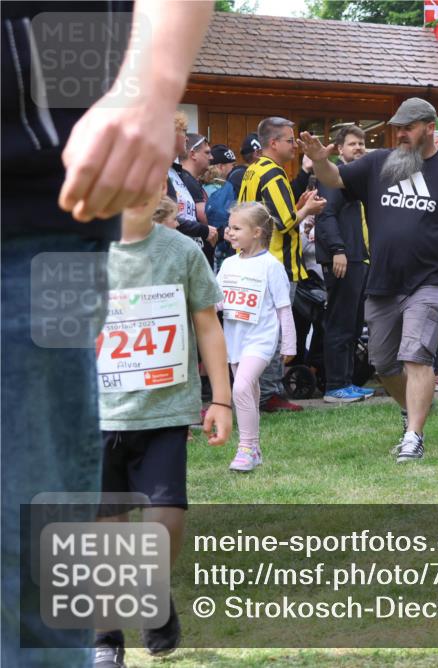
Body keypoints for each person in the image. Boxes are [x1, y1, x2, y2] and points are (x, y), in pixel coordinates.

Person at [1, 2, 212, 665]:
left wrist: (147, 84)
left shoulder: (180, 253)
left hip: (32, 214)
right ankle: (111, 630)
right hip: (110, 406)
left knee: (26, 567)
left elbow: (207, 322)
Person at [94, 187, 230, 667]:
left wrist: (223, 400)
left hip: (164, 412)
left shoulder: (181, 250)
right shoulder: (78, 250)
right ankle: (106, 639)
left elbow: (209, 325)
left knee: (164, 514)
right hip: (94, 414)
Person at [301, 97, 438, 463]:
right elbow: (334, 179)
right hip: (382, 281)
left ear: (429, 127)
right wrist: (320, 159)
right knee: (384, 364)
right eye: (396, 127)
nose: (400, 134)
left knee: (416, 356)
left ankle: (414, 436)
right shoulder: (378, 163)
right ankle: (409, 411)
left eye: (408, 127)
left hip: (431, 280)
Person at [238, 116, 327, 413]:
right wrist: (307, 210)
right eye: (290, 141)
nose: (296, 147)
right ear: (273, 143)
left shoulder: (253, 170)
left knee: (256, 331)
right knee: (273, 333)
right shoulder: (274, 174)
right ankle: (270, 395)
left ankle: (256, 391)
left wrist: (299, 206)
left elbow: (265, 216)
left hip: (252, 263)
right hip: (276, 265)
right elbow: (284, 223)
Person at [217, 203, 296, 471]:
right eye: (230, 227)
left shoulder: (271, 266)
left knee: (239, 387)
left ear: (257, 232)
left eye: (237, 228)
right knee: (247, 391)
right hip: (235, 340)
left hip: (260, 340)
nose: (230, 232)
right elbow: (217, 301)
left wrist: (289, 343)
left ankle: (246, 448)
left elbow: (284, 308)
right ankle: (256, 450)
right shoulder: (227, 264)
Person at [315, 125, 374, 403]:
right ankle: (335, 385)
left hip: (359, 259)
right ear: (339, 149)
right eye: (352, 144)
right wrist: (338, 249)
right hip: (343, 259)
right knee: (339, 323)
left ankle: (347, 382)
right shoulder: (331, 175)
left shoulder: (357, 178)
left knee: (352, 324)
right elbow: (325, 215)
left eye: (362, 143)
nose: (359, 148)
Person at [178, 133, 216, 266]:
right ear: (193, 154)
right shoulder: (186, 179)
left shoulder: (185, 178)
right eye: (207, 152)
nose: (211, 157)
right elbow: (207, 218)